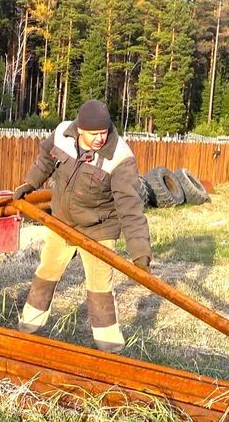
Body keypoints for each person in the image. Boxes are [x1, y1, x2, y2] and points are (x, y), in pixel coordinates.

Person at [12, 99, 151, 353]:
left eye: (104, 132)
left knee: (99, 290)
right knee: (45, 276)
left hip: (99, 229)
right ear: (80, 129)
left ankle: (109, 349)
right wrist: (29, 184)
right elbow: (45, 161)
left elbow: (130, 208)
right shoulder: (62, 134)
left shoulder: (120, 157)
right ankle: (28, 331)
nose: (100, 138)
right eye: (94, 134)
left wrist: (140, 252)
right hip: (62, 222)